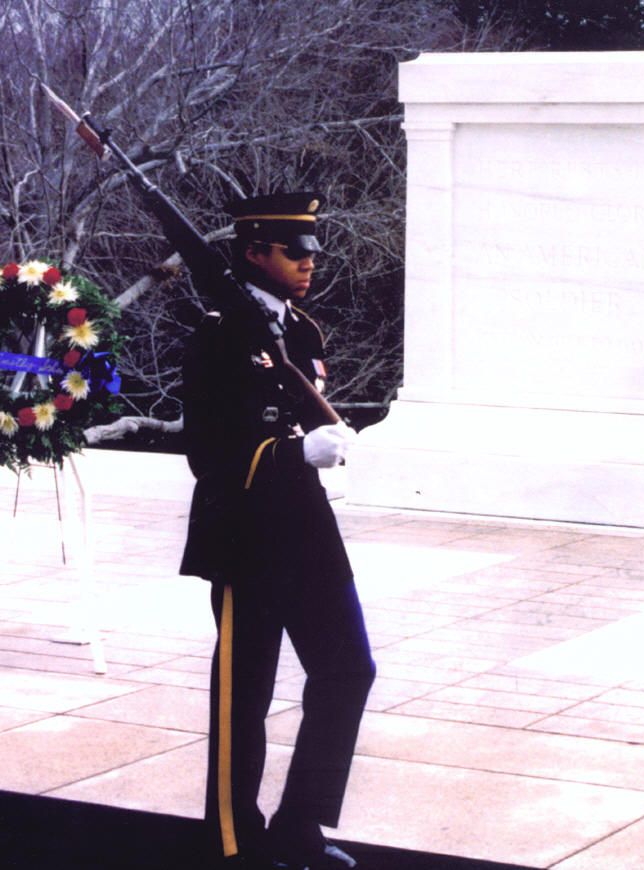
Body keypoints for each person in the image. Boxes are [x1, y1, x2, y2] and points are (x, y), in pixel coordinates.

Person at [180, 192, 376, 870]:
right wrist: (297, 454)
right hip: (245, 538)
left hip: (307, 532)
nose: (307, 265)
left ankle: (300, 825)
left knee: (348, 669)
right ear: (254, 251)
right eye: (294, 253)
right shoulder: (217, 337)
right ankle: (232, 845)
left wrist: (323, 451)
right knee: (244, 697)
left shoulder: (302, 333)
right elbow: (208, 457)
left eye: (311, 253)